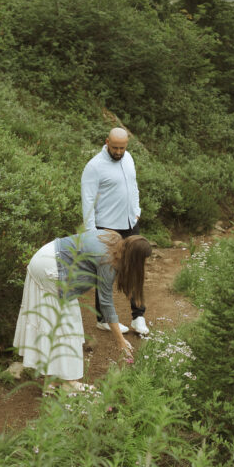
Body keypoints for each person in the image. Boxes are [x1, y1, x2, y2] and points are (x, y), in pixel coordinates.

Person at [13, 230, 152, 388]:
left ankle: (52, 381)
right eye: (144, 261)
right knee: (67, 323)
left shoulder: (113, 238)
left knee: (54, 322)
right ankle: (67, 382)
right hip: (51, 267)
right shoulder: (108, 262)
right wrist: (120, 340)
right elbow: (106, 302)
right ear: (135, 259)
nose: (145, 265)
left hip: (46, 255)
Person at [81, 128, 150, 336]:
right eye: (115, 148)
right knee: (106, 274)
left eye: (122, 147)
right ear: (107, 143)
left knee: (136, 270)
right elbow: (88, 202)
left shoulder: (128, 158)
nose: (119, 152)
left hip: (130, 223)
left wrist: (137, 210)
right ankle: (103, 319)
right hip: (107, 228)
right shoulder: (94, 167)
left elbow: (134, 186)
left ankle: (138, 316)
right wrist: (92, 233)